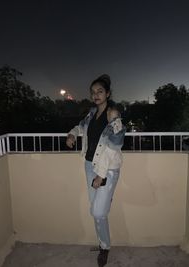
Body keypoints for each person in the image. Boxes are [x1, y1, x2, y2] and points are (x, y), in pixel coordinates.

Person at [66, 74, 126, 267]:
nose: (96, 95)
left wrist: (101, 176)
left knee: (99, 212)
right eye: (93, 92)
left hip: (106, 170)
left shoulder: (113, 114)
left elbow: (115, 144)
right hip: (89, 165)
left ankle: (105, 247)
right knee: (95, 209)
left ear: (107, 93)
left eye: (100, 91)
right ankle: (102, 243)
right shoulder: (92, 113)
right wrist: (72, 134)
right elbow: (80, 126)